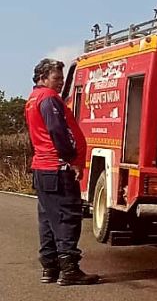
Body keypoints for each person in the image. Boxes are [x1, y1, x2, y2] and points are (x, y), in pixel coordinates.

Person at [23, 58, 100, 285]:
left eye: (61, 78)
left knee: (48, 219)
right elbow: (58, 130)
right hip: (57, 168)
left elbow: (34, 136)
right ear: (42, 78)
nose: (60, 83)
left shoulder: (32, 100)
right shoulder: (48, 99)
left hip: (43, 168)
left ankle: (50, 267)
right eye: (56, 78)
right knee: (67, 217)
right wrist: (71, 159)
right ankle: (69, 270)